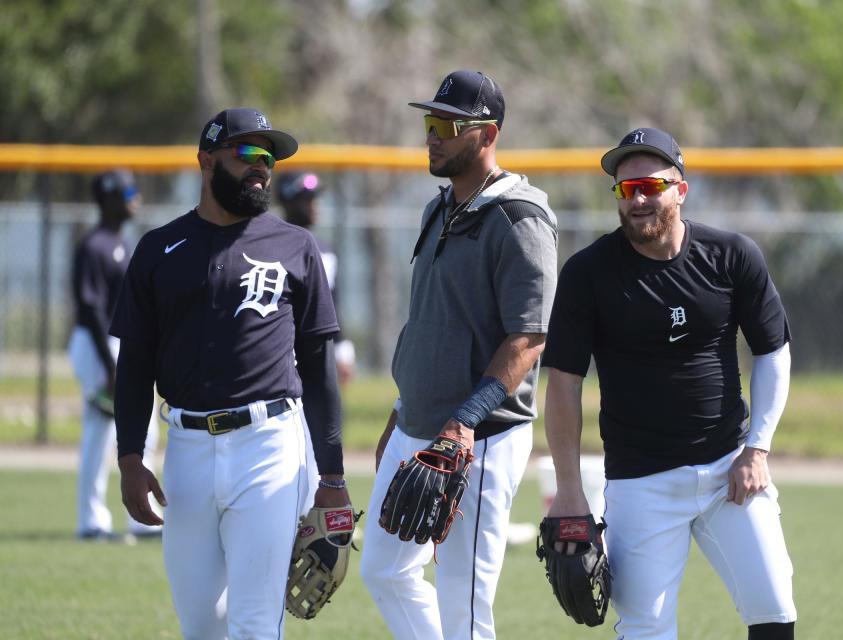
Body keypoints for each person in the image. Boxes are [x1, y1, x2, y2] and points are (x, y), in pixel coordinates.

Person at [541, 127, 797, 639]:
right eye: (625, 189)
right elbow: (564, 383)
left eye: (649, 187)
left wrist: (758, 449)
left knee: (774, 607)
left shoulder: (731, 255)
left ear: (680, 189)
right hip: (641, 481)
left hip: (730, 469)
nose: (636, 199)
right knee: (644, 628)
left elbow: (773, 351)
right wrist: (570, 491)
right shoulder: (588, 273)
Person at [110, 107, 348, 639]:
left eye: (267, 157)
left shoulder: (295, 246)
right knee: (200, 625)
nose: (260, 167)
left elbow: (319, 369)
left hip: (268, 446)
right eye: (245, 154)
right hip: (186, 452)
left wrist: (331, 478)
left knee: (254, 623)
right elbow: (134, 365)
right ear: (205, 160)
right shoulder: (158, 249)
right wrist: (130, 457)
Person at [359, 70, 559, 639]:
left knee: (463, 605)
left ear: (488, 133)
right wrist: (401, 414)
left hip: (482, 435)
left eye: (448, 125)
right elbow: (429, 321)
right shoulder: (437, 209)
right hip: (418, 425)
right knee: (384, 571)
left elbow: (528, 338)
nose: (434, 136)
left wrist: (464, 421)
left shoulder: (520, 220)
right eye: (430, 123)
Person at [68, 169, 161, 542]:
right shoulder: (92, 245)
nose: (134, 197)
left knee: (144, 430)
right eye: (127, 191)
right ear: (107, 197)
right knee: (100, 431)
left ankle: (143, 517)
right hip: (97, 344)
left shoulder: (122, 243)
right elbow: (89, 308)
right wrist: (110, 366)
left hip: (118, 344)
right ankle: (91, 520)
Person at [276, 172, 356, 386]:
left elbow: (332, 303)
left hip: (318, 354)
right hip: (280, 355)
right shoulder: (270, 248)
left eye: (315, 199)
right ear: (287, 202)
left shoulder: (326, 250)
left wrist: (343, 350)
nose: (314, 205)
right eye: (306, 199)